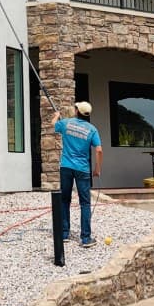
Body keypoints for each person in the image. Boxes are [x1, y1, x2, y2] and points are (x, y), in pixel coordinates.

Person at [52, 101, 103, 248]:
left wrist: (57, 116)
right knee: (85, 203)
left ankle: (64, 234)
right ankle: (86, 238)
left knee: (64, 200)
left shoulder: (66, 123)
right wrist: (97, 169)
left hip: (66, 167)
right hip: (83, 169)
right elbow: (99, 150)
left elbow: (54, 125)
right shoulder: (92, 129)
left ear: (76, 111)